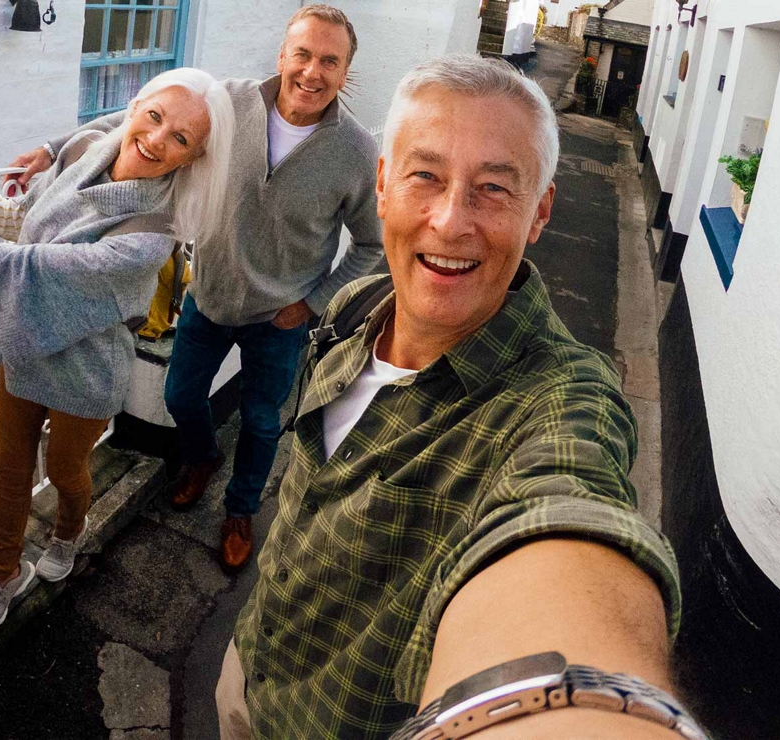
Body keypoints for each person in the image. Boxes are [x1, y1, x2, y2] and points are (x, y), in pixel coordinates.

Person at [216, 56, 690, 739]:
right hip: (248, 669)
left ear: (540, 213)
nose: (449, 219)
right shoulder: (356, 307)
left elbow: (568, 511)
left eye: (494, 189)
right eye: (425, 176)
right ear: (381, 186)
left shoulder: (560, 402)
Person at [9, 5, 383, 573]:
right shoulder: (229, 102)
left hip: (279, 320)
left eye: (330, 61)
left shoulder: (354, 151)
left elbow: (371, 245)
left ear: (346, 73)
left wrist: (309, 304)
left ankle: (239, 510)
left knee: (262, 422)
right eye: (302, 54)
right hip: (208, 297)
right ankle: (203, 458)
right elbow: (136, 118)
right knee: (183, 398)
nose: (312, 72)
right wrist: (53, 148)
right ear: (282, 55)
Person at [0, 67, 235, 633]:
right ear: (136, 105)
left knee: (67, 471)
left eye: (182, 139)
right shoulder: (90, 153)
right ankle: (3, 574)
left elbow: (41, 268)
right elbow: (32, 222)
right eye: (155, 116)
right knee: (10, 470)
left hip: (87, 373)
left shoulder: (152, 231)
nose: (158, 139)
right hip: (24, 349)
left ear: (193, 159)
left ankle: (70, 533)